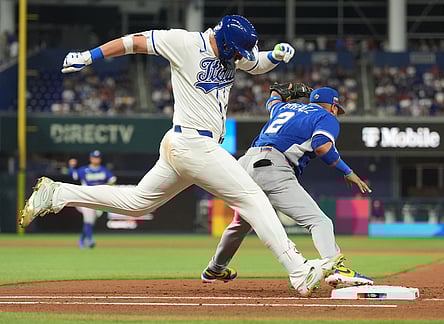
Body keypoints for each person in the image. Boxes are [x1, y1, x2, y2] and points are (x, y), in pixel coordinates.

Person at [20, 15, 343, 297]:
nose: (237, 57)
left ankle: (59, 192)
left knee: (138, 203)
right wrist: (90, 55)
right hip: (193, 143)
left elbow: (255, 63)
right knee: (253, 198)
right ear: (225, 40)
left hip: (185, 146)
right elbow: (135, 41)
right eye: (236, 50)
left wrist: (274, 55)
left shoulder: (230, 53)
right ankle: (300, 272)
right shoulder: (184, 42)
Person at [202, 84, 373, 288]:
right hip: (273, 166)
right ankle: (337, 269)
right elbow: (322, 146)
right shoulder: (326, 117)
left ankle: (215, 268)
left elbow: (273, 99)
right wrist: (348, 171)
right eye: (337, 110)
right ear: (334, 107)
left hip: (243, 164)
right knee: (319, 221)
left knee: (241, 223)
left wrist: (281, 91)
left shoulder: (285, 108)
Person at [68, 150, 116, 248]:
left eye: (98, 157)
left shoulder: (103, 170)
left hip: (96, 199)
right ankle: (90, 240)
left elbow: (113, 179)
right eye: (94, 157)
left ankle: (81, 240)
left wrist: (104, 186)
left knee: (90, 221)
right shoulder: (84, 170)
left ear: (100, 159)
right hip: (84, 198)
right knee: (89, 219)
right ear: (90, 158)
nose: (96, 159)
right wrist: (71, 166)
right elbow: (73, 175)